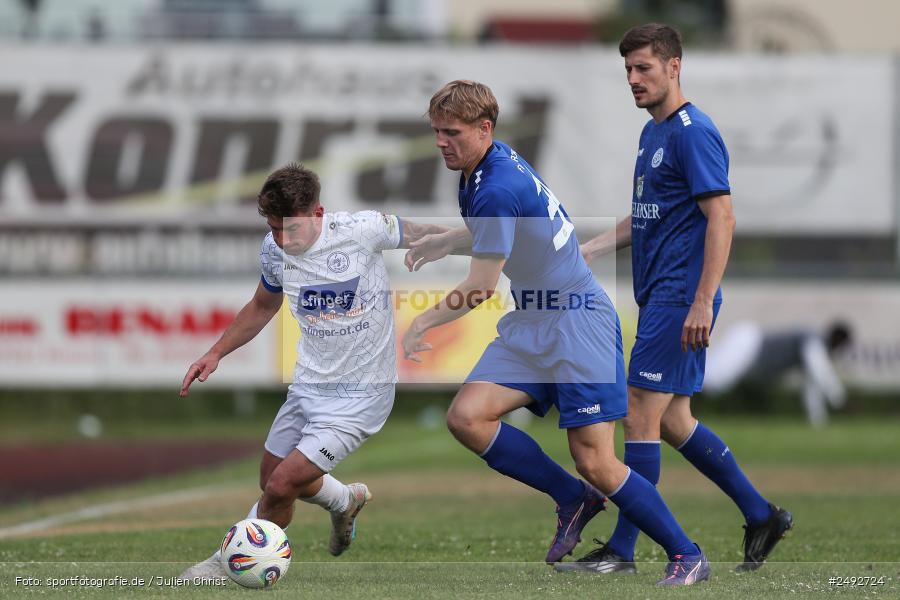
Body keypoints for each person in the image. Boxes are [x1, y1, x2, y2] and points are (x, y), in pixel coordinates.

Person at [403, 79, 710, 585]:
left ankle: (687, 553)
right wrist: (445, 241)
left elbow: (481, 287)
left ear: (484, 129)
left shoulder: (495, 182)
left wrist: (424, 319)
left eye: (450, 132)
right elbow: (505, 227)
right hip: (534, 319)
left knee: (596, 460)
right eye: (436, 131)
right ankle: (572, 498)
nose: (440, 141)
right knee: (468, 417)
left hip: (575, 322)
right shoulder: (487, 167)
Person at [564, 23, 792, 575]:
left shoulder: (693, 132)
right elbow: (648, 215)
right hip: (661, 296)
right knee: (673, 420)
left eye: (644, 68)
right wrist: (589, 248)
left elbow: (723, 216)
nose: (634, 80)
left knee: (640, 414)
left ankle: (622, 550)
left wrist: (701, 301)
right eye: (627, 71)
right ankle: (761, 514)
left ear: (674, 66)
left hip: (679, 297)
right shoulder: (653, 133)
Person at [177, 163, 444, 581]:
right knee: (271, 480)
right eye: (275, 229)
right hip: (309, 385)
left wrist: (497, 244)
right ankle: (344, 501)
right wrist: (216, 352)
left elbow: (432, 234)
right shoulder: (273, 249)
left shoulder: (363, 230)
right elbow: (264, 305)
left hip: (362, 395)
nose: (284, 240)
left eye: (292, 230)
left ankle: (226, 564)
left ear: (318, 214)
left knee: (283, 485)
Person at [704, 321, 852, 427]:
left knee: (709, 381)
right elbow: (821, 373)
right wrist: (840, 399)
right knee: (710, 382)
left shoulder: (815, 342)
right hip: (747, 346)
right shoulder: (813, 340)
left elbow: (812, 387)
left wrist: (818, 423)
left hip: (749, 350)